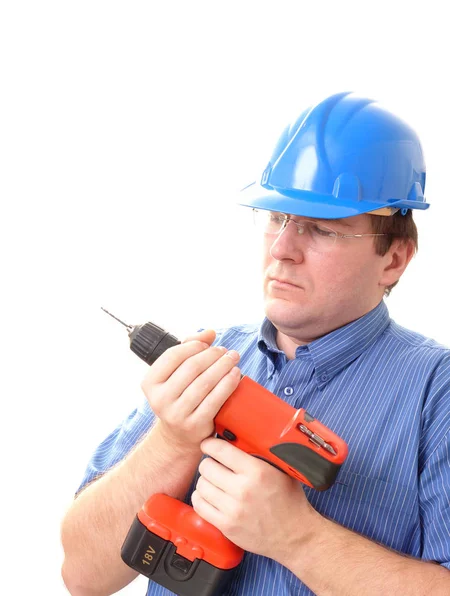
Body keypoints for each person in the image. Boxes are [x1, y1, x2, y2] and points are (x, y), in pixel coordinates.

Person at [61, 92, 450, 596]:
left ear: (394, 259)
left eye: (322, 229)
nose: (283, 250)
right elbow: (81, 575)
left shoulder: (435, 393)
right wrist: (173, 441)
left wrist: (297, 538)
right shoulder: (205, 366)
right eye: (276, 218)